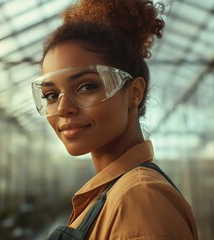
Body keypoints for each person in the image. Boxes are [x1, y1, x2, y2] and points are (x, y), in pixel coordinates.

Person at [31, 0, 199, 239]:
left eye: (86, 86)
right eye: (51, 95)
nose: (63, 108)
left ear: (134, 93)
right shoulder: (115, 193)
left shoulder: (139, 198)